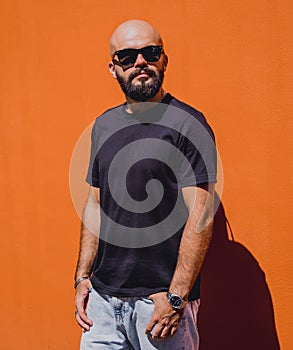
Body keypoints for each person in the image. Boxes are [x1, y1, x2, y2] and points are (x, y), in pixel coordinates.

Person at [74, 19, 217, 350]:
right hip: (103, 303)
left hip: (159, 304)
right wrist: (82, 277)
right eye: (127, 56)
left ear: (164, 60)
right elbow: (95, 205)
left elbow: (201, 214)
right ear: (113, 68)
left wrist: (177, 297)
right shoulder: (104, 126)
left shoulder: (188, 124)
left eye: (150, 53)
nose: (140, 62)